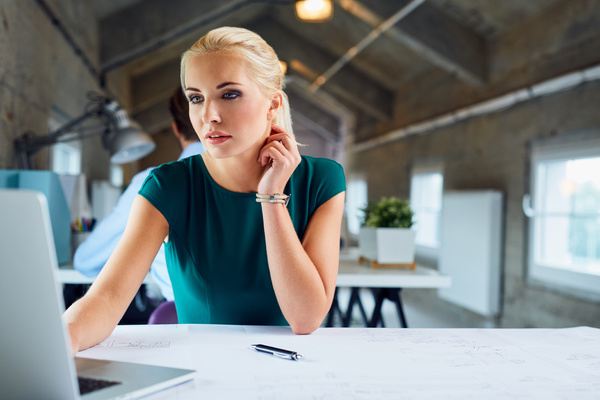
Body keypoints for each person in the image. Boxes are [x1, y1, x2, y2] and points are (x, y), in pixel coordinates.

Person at [64, 26, 346, 354]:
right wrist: (62, 339)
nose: (208, 116)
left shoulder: (323, 180)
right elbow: (106, 299)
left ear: (272, 105)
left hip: (292, 371)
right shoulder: (168, 186)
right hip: (202, 371)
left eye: (229, 94)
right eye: (196, 98)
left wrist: (272, 198)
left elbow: (305, 318)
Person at [73, 89, 204, 302]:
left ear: (176, 128)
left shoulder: (152, 181)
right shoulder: (265, 177)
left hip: (184, 317)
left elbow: (87, 261)